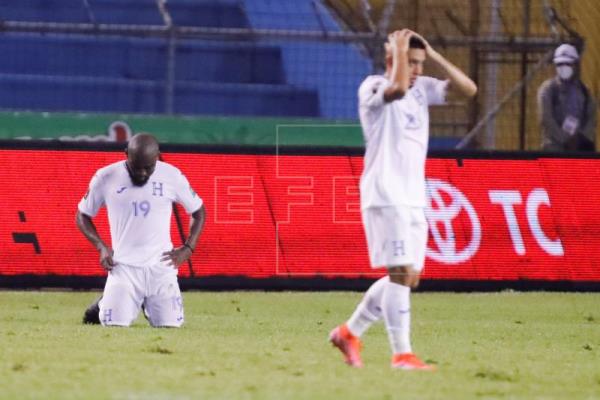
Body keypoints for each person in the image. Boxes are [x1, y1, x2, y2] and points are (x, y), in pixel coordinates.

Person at [329, 29, 477, 370]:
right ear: (391, 60)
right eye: (410, 63)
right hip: (385, 192)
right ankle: (402, 355)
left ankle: (349, 332)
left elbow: (468, 91)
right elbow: (395, 89)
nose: (417, 71)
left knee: (409, 277)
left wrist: (433, 55)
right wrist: (397, 52)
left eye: (419, 64)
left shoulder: (422, 89)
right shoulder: (372, 87)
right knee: (399, 274)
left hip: (413, 196)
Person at [77, 133, 205, 327]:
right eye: (137, 168)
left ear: (157, 157)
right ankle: (105, 303)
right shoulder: (106, 177)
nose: (143, 173)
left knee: (170, 326)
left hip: (161, 268)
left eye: (149, 167)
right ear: (126, 154)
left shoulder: (172, 175)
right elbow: (82, 215)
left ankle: (148, 303)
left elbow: (198, 211)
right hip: (123, 267)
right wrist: (101, 247)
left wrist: (188, 248)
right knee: (114, 325)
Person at [538, 43, 597, 151]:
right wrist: (564, 139)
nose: (563, 67)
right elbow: (546, 119)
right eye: (559, 64)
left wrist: (580, 139)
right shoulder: (548, 89)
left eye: (567, 64)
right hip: (555, 148)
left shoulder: (585, 91)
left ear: (575, 64)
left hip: (580, 149)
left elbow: (591, 118)